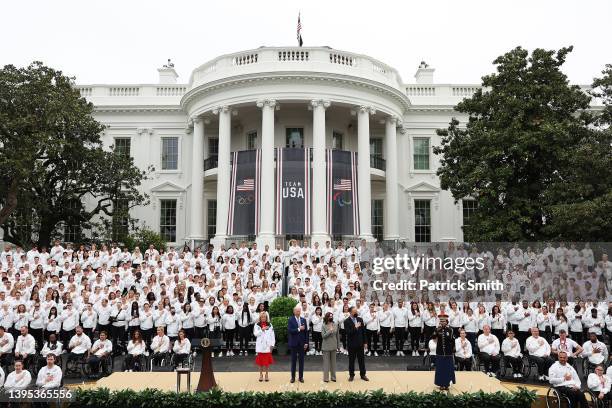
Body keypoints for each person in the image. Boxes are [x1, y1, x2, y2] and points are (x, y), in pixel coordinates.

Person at [345, 306, 368, 381]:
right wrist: (355, 327)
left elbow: (364, 332)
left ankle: (363, 374)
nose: (356, 313)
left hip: (360, 344)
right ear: (350, 312)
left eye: (356, 311)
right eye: (354, 312)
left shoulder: (360, 319)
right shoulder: (346, 321)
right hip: (351, 344)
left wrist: (365, 342)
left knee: (361, 360)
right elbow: (348, 333)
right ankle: (351, 375)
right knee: (351, 361)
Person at [433, 314, 455, 391]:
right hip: (440, 352)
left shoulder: (450, 330)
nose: (442, 322)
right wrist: (436, 331)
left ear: (447, 322)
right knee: (440, 369)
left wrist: (452, 350)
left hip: (448, 352)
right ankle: (441, 384)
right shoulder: (437, 329)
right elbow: (433, 338)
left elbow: (453, 340)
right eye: (441, 321)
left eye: (444, 321)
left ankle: (447, 384)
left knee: (448, 368)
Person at [253, 311, 275, 382]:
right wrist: (262, 330)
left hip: (268, 346)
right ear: (260, 317)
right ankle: (261, 375)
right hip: (260, 346)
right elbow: (255, 334)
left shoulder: (270, 325)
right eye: (262, 317)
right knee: (260, 362)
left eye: (264, 317)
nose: (263, 318)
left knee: (267, 363)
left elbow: (272, 335)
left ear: (266, 317)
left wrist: (272, 345)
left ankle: (266, 375)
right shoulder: (257, 324)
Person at [321, 312, 339, 382]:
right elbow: (323, 336)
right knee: (326, 363)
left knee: (333, 363)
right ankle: (326, 378)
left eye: (332, 316)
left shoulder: (335, 325)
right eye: (329, 316)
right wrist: (329, 331)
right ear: (326, 317)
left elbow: (337, 336)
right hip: (326, 346)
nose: (331, 317)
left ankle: (333, 377)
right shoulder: (323, 325)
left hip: (334, 346)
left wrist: (338, 346)